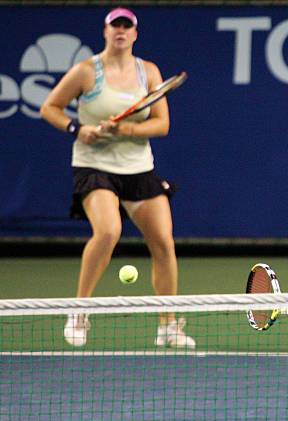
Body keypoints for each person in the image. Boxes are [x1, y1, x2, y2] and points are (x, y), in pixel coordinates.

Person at [40, 7, 194, 349]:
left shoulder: (149, 72)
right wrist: (79, 129)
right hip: (94, 167)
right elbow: (50, 107)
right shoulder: (85, 72)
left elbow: (162, 124)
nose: (121, 31)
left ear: (135, 34)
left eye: (128, 26)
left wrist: (124, 128)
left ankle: (168, 325)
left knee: (164, 244)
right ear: (106, 32)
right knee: (109, 230)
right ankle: (79, 311)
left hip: (138, 168)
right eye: (115, 26)